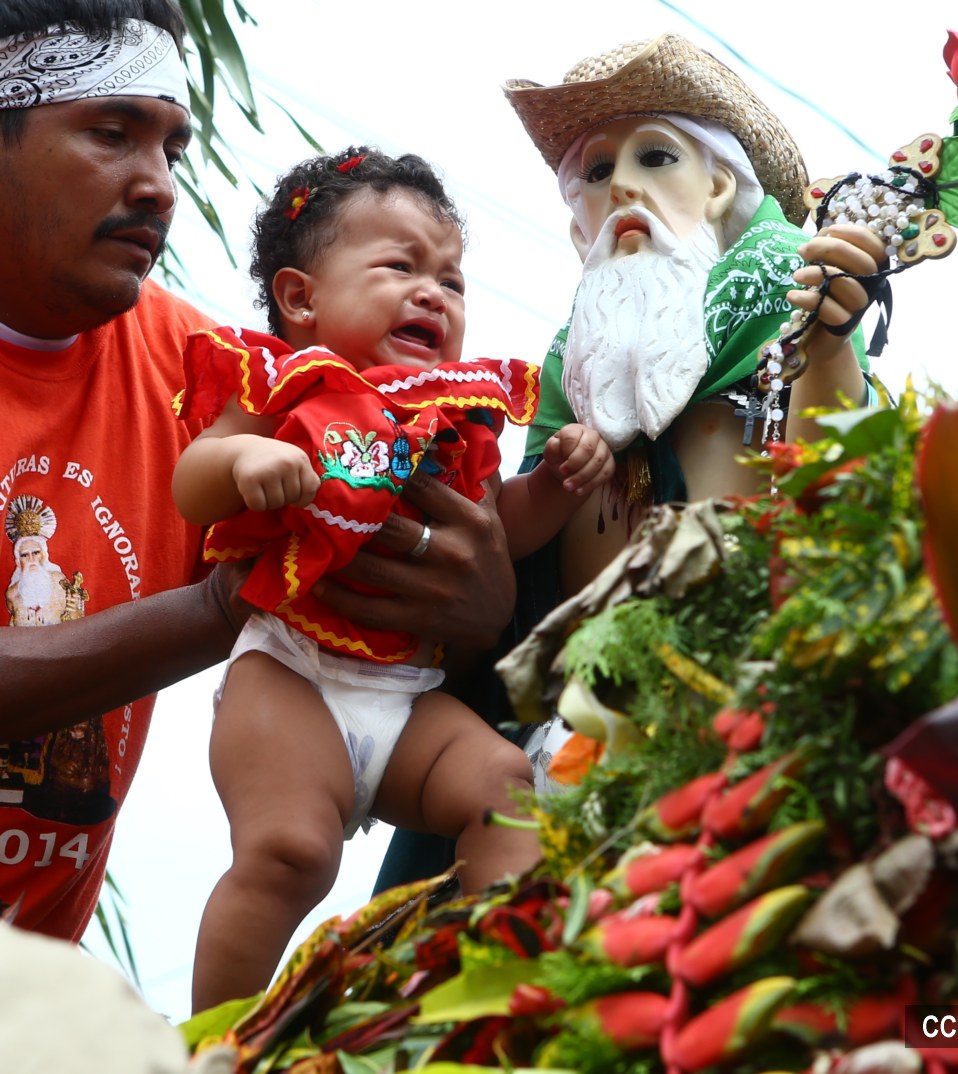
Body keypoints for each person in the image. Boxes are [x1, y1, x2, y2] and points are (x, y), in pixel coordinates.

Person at [0, 0, 518, 947]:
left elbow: (431, 565)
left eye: (172, 150)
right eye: (111, 134)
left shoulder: (234, 377)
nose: (158, 186)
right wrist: (220, 606)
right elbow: (248, 590)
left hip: (35, 981)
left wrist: (478, 601)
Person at [374, 33, 891, 891]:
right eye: (595, 170)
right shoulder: (562, 376)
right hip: (553, 771)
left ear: (718, 187)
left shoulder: (795, 307)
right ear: (577, 220)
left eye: (656, 156)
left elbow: (842, 512)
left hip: (734, 756)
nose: (621, 186)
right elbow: (505, 597)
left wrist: (830, 344)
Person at [172, 147, 614, 1011]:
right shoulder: (287, 386)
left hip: (409, 701)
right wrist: (247, 459)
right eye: (399, 268)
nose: (433, 294)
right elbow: (195, 480)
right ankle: (213, 1042)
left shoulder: (456, 417)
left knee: (503, 789)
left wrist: (559, 485)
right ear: (300, 299)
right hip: (290, 674)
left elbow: (499, 526)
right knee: (291, 853)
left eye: (451, 280)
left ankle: (486, 999)